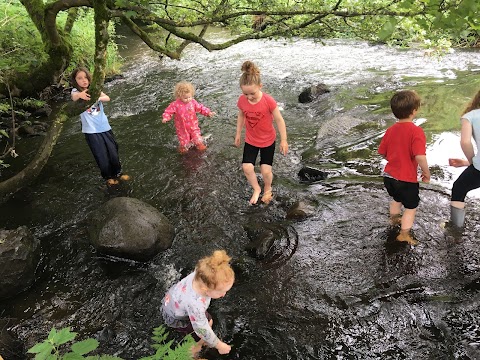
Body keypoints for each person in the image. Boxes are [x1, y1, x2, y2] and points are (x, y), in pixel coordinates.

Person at [378, 90, 430, 245]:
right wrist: (426, 173)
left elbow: (382, 152)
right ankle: (404, 234)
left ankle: (393, 220)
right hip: (406, 179)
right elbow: (420, 156)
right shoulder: (416, 131)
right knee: (411, 207)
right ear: (414, 111)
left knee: (396, 199)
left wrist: (395, 159)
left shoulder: (390, 130)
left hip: (388, 177)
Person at [161, 250, 234, 357]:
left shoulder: (200, 274)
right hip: (176, 318)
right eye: (221, 292)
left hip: (170, 301)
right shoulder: (196, 304)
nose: (224, 294)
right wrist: (219, 345)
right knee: (208, 323)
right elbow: (201, 329)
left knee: (208, 321)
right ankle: (193, 352)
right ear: (205, 289)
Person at [235, 60, 288, 205]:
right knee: (247, 167)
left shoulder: (268, 101)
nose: (249, 97)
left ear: (260, 86)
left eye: (252, 93)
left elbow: (279, 120)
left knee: (265, 171)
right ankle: (256, 188)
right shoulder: (242, 101)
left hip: (267, 141)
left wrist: (284, 140)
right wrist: (238, 133)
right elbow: (241, 115)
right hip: (251, 140)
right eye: (245, 94)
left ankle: (267, 188)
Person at [70, 67, 129, 186]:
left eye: (85, 77)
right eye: (80, 78)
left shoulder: (94, 90)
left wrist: (98, 97)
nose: (83, 80)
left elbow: (107, 98)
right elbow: (74, 97)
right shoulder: (75, 92)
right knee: (101, 155)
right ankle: (108, 177)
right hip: (91, 131)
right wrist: (81, 94)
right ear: (75, 81)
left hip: (105, 127)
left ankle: (118, 173)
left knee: (113, 151)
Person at [448, 90, 480, 228]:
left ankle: (456, 230)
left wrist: (472, 162)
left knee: (459, 188)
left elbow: (465, 143)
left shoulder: (470, 116)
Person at [162, 81, 215, 154]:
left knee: (198, 141)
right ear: (179, 96)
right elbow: (168, 111)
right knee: (184, 146)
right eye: (185, 98)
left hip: (193, 126)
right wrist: (166, 118)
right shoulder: (175, 105)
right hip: (182, 129)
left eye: (190, 97)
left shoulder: (192, 102)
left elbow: (200, 108)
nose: (188, 99)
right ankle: (182, 153)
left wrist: (208, 113)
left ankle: (203, 152)